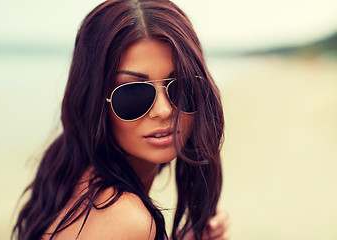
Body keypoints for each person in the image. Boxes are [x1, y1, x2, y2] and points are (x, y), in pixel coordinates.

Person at [12, 0, 229, 239]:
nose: (164, 110)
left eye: (181, 87)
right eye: (133, 92)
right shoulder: (126, 218)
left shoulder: (66, 169)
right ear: (93, 101)